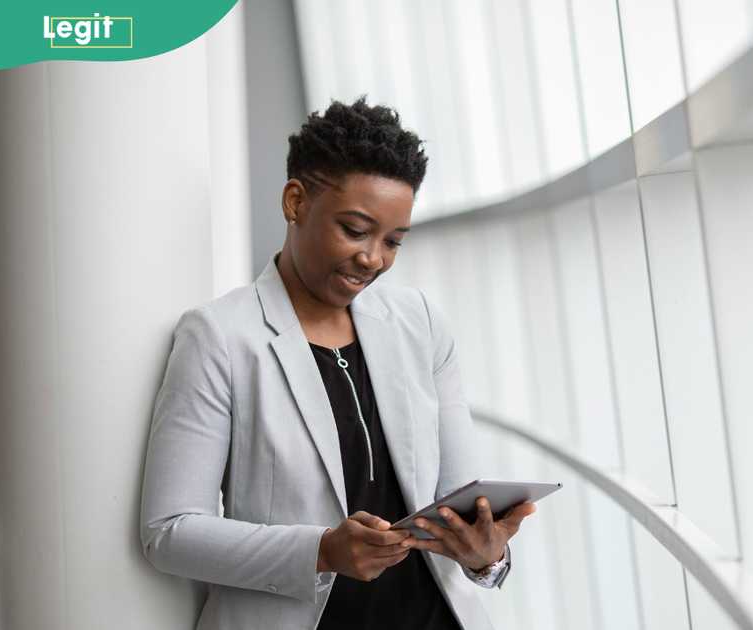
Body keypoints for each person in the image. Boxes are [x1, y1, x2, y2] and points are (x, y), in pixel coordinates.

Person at [139, 96, 537, 629]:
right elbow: (169, 531)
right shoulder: (219, 337)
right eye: (355, 230)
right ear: (296, 201)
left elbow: (456, 503)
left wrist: (486, 554)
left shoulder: (419, 322)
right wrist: (322, 550)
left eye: (393, 241)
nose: (373, 258)